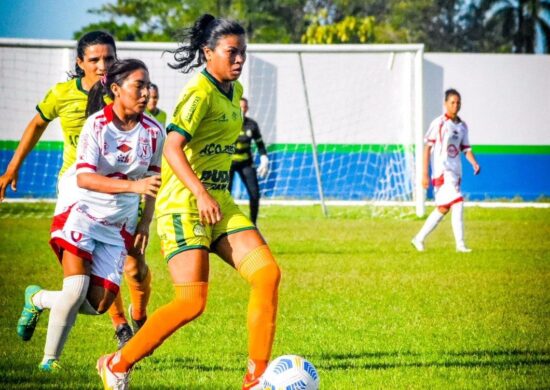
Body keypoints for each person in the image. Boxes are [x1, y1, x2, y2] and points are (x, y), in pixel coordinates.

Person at [97, 14, 281, 390]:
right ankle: (117, 364)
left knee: (267, 274)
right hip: (184, 205)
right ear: (208, 52)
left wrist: (210, 195)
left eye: (243, 52)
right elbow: (173, 146)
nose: (240, 59)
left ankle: (256, 378)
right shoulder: (199, 92)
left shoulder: (233, 89)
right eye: (232, 52)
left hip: (219, 202)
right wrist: (198, 193)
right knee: (191, 303)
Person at [1, 31, 153, 349]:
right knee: (91, 265)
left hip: (123, 191)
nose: (102, 65)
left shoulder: (121, 94)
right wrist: (13, 166)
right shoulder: (62, 94)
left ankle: (137, 314)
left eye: (109, 59)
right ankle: (122, 325)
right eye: (95, 59)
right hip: (78, 189)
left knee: (135, 264)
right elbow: (37, 124)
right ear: (80, 62)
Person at [411, 88, 481, 253]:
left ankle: (418, 238)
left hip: (456, 173)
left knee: (443, 208)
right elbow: (427, 148)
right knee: (458, 202)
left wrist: (474, 163)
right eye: (452, 102)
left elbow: (465, 148)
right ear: (445, 104)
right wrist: (424, 174)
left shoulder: (463, 126)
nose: (455, 105)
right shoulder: (439, 123)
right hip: (442, 172)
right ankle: (460, 245)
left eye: (458, 103)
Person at [229, 97, 269, 225]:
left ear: (247, 108)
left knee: (254, 194)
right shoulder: (228, 122)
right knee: (224, 195)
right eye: (240, 106)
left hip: (246, 163)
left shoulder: (252, 124)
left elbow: (260, 144)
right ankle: (224, 224)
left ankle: (253, 224)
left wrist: (264, 159)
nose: (242, 109)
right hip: (228, 164)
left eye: (244, 107)